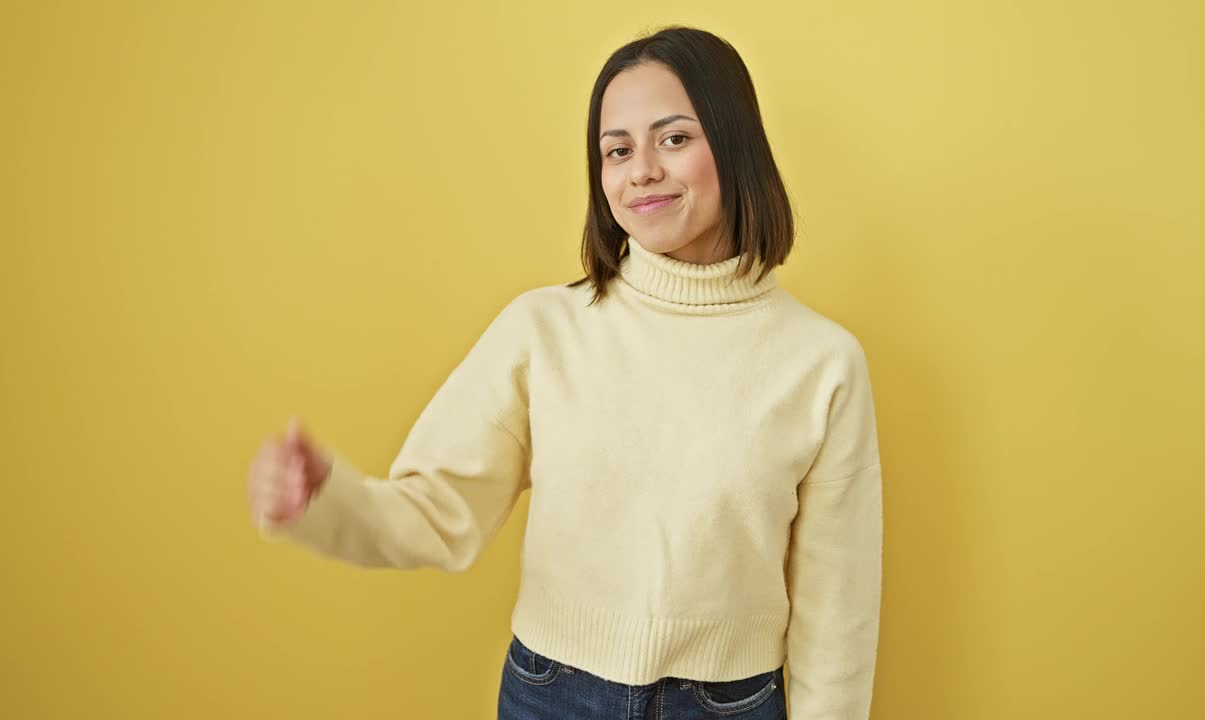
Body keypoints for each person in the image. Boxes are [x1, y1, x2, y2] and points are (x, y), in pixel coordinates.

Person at [247, 24, 883, 720]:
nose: (640, 169)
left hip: (729, 706)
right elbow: (436, 512)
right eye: (617, 150)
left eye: (673, 138)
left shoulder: (822, 364)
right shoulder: (542, 329)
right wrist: (324, 499)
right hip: (552, 696)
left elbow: (838, 612)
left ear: (734, 146)